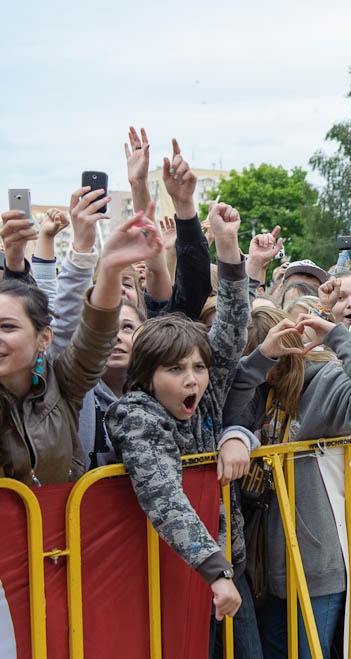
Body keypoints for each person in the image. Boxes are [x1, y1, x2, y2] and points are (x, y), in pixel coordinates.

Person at [223, 246, 351, 659]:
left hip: (315, 567)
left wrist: (336, 332)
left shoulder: (321, 379)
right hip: (264, 565)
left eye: (278, 359)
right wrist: (256, 364)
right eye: (262, 360)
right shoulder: (253, 387)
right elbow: (228, 408)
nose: (273, 371)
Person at [105, 202, 251, 624]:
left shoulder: (204, 395)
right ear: (147, 374)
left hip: (227, 569)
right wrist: (214, 570)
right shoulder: (134, 415)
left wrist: (227, 245)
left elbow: (233, 327)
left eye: (199, 368)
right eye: (175, 369)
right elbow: (165, 498)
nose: (193, 380)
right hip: (167, 577)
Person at [0, 203, 161, 485]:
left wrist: (109, 268)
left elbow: (91, 335)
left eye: (7, 327)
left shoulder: (61, 386)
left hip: (59, 527)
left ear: (44, 338)